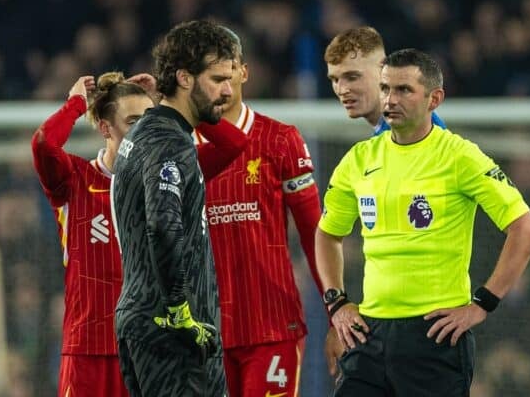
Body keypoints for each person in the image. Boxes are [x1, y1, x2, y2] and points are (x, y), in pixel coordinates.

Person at [315, 48, 530, 396]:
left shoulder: (459, 156)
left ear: (434, 99)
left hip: (434, 335)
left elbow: (526, 231)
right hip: (368, 332)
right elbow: (328, 234)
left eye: (404, 90)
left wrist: (482, 304)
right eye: (386, 88)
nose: (391, 99)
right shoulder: (358, 159)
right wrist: (337, 302)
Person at [31, 70, 246, 397]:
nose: (146, 130)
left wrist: (174, 106)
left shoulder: (171, 171)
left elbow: (234, 143)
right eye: (134, 121)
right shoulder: (75, 179)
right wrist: (76, 104)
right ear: (105, 127)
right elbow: (44, 144)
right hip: (91, 349)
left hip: (155, 345)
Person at [110, 20, 240, 397]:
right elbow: (163, 225)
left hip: (143, 318)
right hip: (171, 329)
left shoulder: (143, 133)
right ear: (184, 78)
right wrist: (180, 310)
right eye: (217, 79)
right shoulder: (171, 143)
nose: (228, 91)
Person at [195, 26, 325, 397]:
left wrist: (337, 314)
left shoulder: (280, 139)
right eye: (209, 76)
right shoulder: (180, 149)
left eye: (226, 74)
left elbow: (314, 232)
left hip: (271, 325)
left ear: (244, 72)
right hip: (204, 334)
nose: (220, 86)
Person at [324, 26, 446, 136]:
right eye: (335, 79)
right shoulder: (392, 131)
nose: (341, 90)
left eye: (352, 77)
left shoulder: (409, 132)